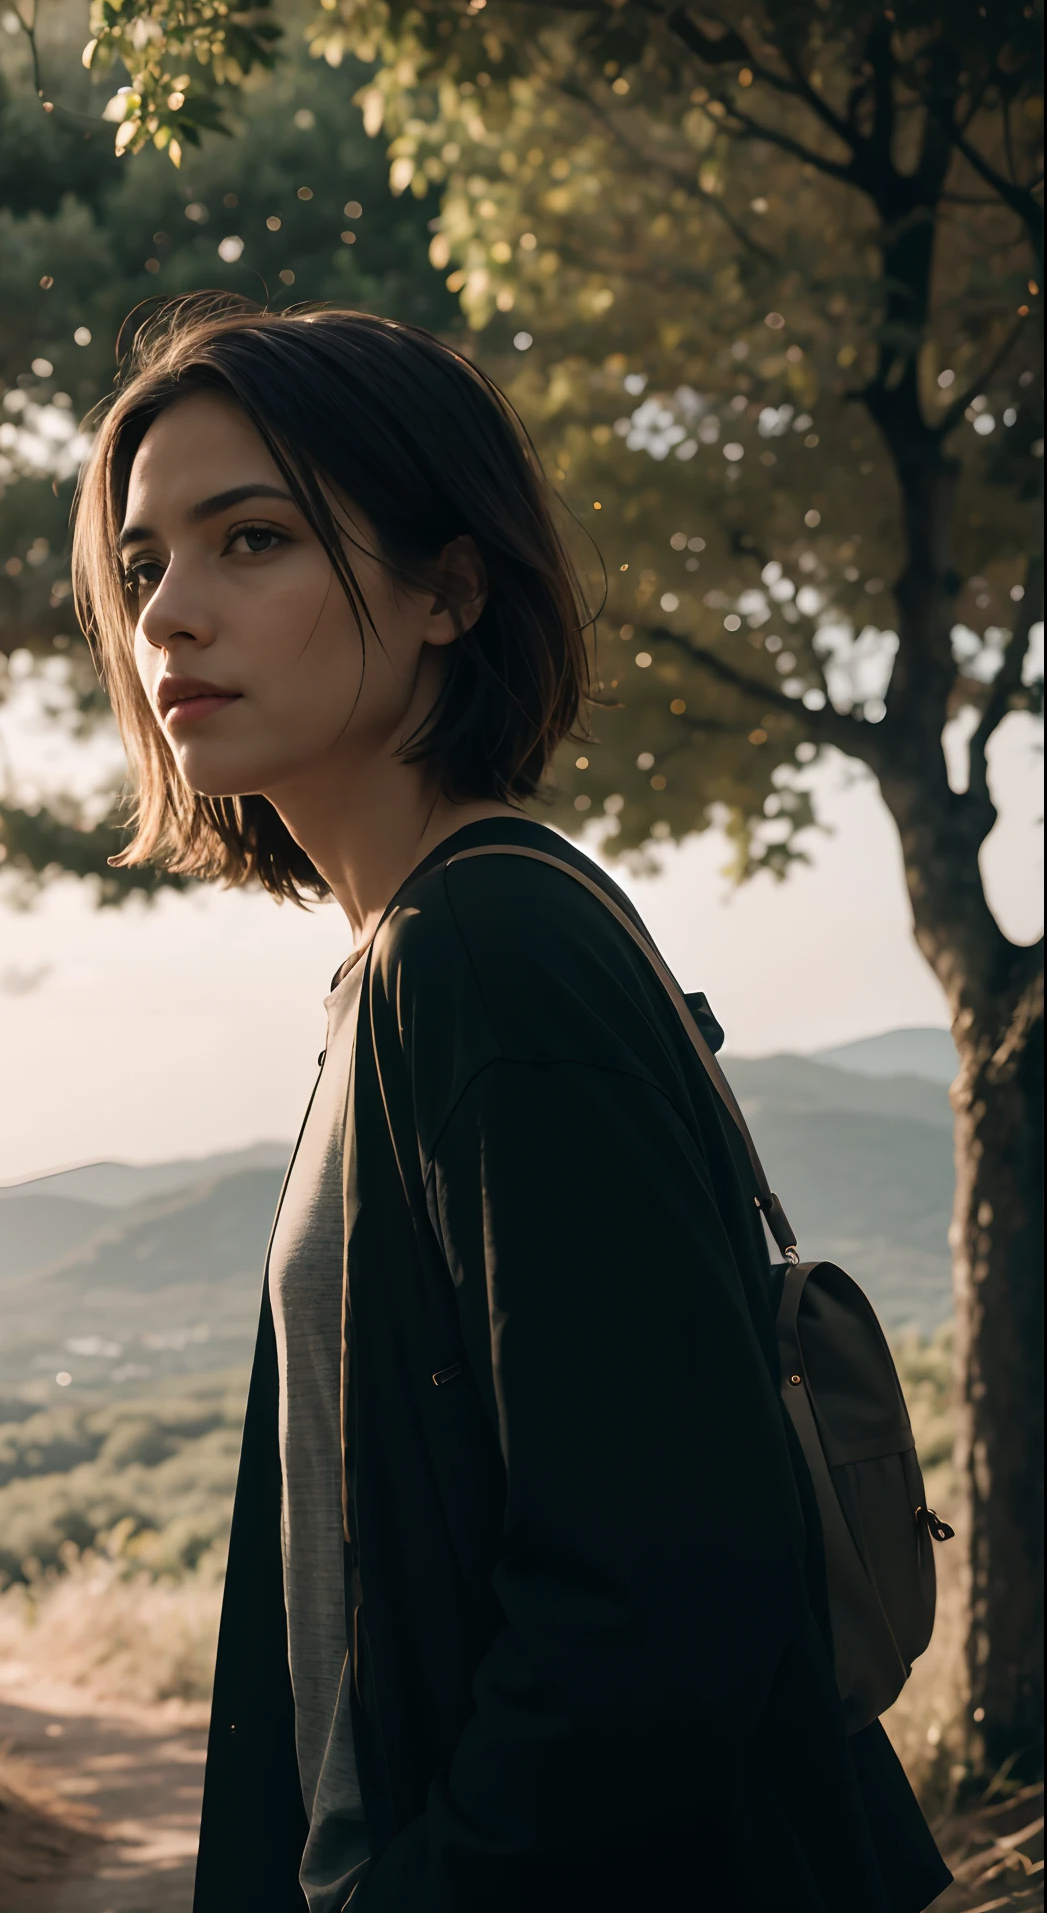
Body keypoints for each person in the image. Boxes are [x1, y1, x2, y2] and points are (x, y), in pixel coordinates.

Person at [72, 295, 952, 1913]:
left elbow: (654, 1598)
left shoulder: (487, 950)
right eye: (143, 567)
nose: (172, 614)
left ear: (449, 591)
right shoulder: (413, 957)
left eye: (250, 539)